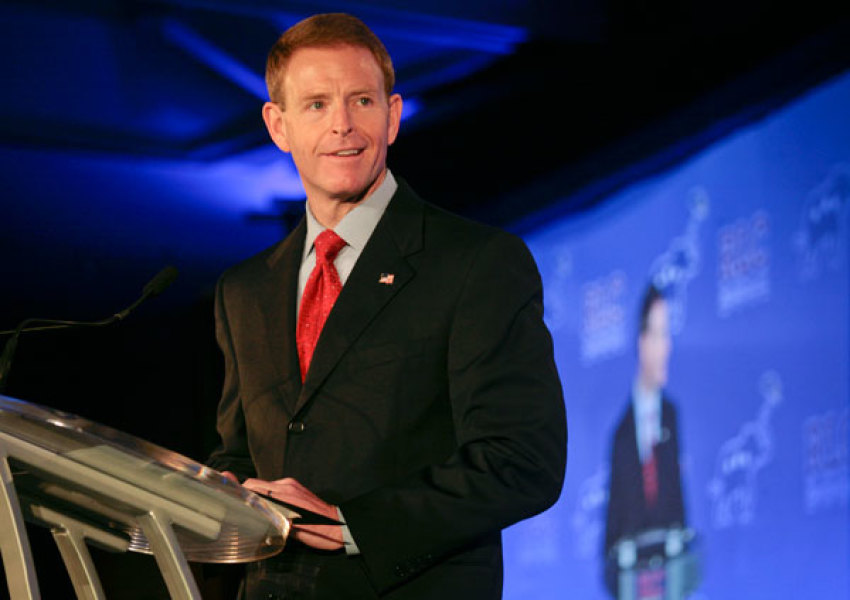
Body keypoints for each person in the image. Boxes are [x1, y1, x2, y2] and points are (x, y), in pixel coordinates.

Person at [205, 13, 567, 600]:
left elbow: (523, 460)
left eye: (362, 101)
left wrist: (353, 525)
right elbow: (243, 451)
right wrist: (216, 488)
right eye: (317, 104)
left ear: (393, 115)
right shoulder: (243, 290)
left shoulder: (475, 262)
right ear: (278, 125)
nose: (343, 126)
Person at [604, 284, 686, 559]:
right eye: (659, 334)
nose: (667, 347)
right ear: (642, 342)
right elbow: (610, 541)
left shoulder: (672, 418)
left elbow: (681, 517)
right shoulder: (620, 435)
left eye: (668, 335)